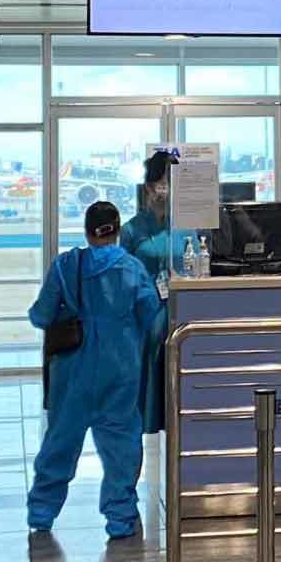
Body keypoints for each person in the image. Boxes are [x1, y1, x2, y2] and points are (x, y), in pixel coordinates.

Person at [27, 202, 161, 539]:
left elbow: (41, 315)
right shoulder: (132, 268)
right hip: (120, 368)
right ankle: (120, 518)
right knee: (121, 446)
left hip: (72, 371)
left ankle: (42, 512)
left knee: (60, 440)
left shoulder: (66, 266)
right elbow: (150, 314)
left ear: (87, 231)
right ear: (117, 231)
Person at [119, 151, 187, 436]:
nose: (167, 189)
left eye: (172, 182)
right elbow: (121, 279)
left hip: (181, 310)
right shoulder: (132, 230)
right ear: (149, 187)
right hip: (146, 315)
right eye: (163, 182)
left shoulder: (183, 228)